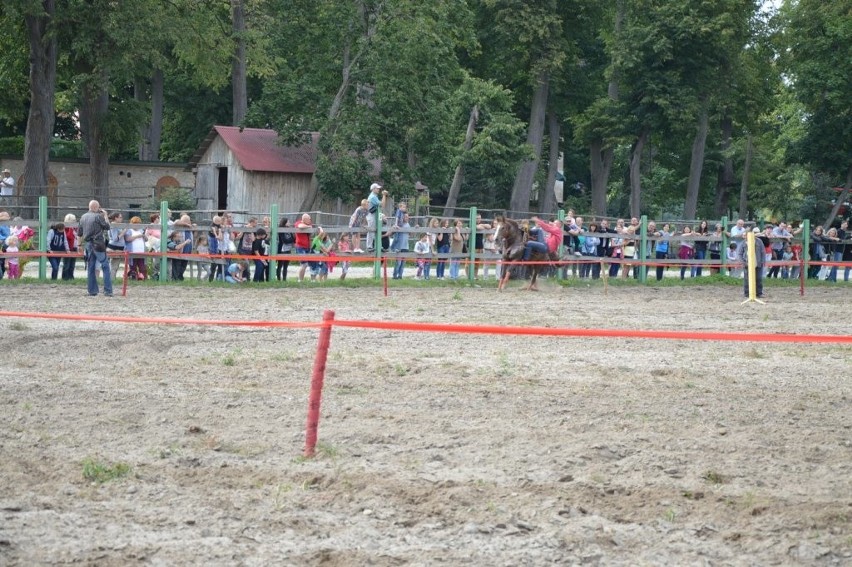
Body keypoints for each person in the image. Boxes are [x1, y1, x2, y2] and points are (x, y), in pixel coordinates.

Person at [77, 200, 112, 296]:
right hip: (98, 244)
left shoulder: (83, 217)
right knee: (105, 266)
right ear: (97, 207)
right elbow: (107, 227)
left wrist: (79, 245)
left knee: (90, 267)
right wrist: (105, 216)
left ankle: (92, 290)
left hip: (88, 244)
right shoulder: (98, 217)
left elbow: (79, 233)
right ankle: (108, 290)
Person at [738, 228, 767, 298]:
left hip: (758, 263)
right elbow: (740, 254)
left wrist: (763, 261)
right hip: (747, 264)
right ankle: (747, 293)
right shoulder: (743, 243)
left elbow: (763, 252)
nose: (744, 236)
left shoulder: (759, 241)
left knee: (759, 278)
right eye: (744, 235)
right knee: (747, 279)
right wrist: (743, 262)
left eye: (745, 235)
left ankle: (759, 293)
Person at [295, 213, 316, 282]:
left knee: (311, 263)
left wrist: (308, 226)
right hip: (300, 247)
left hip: (307, 246)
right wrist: (308, 227)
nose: (310, 220)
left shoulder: (309, 225)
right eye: (309, 219)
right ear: (304, 219)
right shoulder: (298, 223)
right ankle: (300, 280)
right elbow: (300, 226)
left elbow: (311, 231)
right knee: (304, 264)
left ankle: (312, 280)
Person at [106, 212, 127, 279]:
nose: (122, 219)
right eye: (120, 217)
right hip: (115, 247)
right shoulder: (114, 226)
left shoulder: (116, 225)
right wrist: (123, 232)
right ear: (116, 218)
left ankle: (111, 279)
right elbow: (115, 238)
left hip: (117, 247)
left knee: (114, 265)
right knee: (114, 265)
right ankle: (111, 279)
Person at [391, 212, 410, 280]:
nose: (407, 218)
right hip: (399, 246)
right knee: (398, 263)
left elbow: (410, 233)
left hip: (405, 246)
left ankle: (400, 275)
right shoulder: (399, 224)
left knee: (403, 263)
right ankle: (395, 275)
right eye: (405, 217)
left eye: (407, 217)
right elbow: (393, 229)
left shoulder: (408, 225)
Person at [62, 213, 78, 280]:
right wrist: (71, 229)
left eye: (75, 220)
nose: (74, 222)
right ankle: (65, 277)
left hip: (74, 247)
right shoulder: (66, 228)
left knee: (72, 264)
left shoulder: (75, 228)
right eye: (73, 220)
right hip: (68, 248)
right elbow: (69, 236)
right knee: (67, 264)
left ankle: (71, 276)